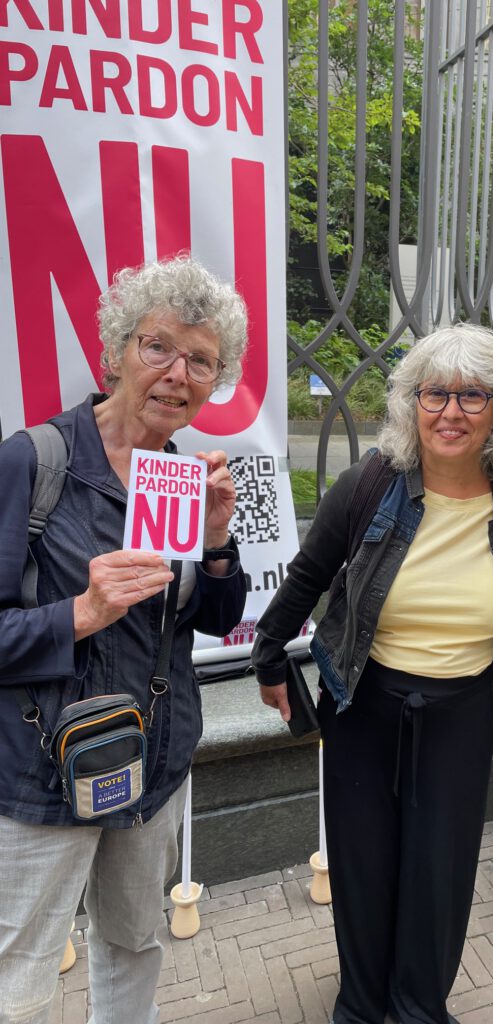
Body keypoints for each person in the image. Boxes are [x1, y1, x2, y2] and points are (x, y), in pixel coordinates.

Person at [252, 325, 493, 1024]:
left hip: (461, 710)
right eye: (434, 393)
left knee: (439, 871)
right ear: (412, 404)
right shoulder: (370, 484)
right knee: (363, 864)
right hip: (363, 701)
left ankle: (417, 1006)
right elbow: (307, 577)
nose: (451, 411)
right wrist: (267, 656)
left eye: (473, 395)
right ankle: (362, 1002)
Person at [0, 255, 248, 1024]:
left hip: (153, 768)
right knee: (22, 973)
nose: (178, 374)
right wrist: (77, 614)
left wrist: (214, 541)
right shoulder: (34, 461)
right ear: (116, 351)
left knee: (134, 945)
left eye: (201, 361)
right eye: (159, 347)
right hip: (44, 775)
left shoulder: (174, 477)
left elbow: (210, 617)